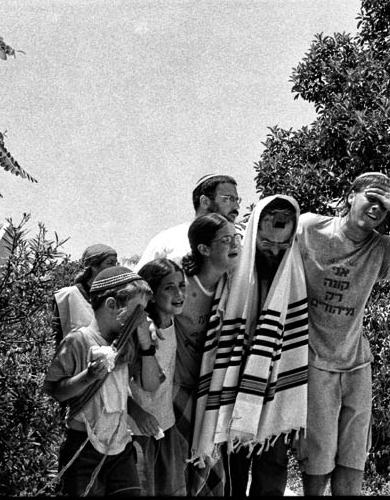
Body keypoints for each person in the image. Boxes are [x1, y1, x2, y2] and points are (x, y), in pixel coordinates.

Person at [295, 172, 390, 496]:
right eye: (372, 197)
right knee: (317, 462)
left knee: (353, 462)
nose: (378, 207)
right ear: (349, 197)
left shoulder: (381, 247)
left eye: (385, 205)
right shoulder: (310, 227)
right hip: (316, 362)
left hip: (357, 364)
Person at [191, 195, 308, 497]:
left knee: (272, 466)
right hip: (235, 379)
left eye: (283, 246)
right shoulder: (233, 273)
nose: (274, 252)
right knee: (233, 466)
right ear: (255, 233)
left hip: (276, 384)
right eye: (267, 244)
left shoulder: (297, 274)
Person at [43, 266, 162, 496]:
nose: (143, 318)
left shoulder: (128, 342)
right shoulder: (78, 341)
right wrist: (87, 377)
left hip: (120, 446)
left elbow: (149, 383)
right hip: (83, 445)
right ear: (112, 305)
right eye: (138, 311)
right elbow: (57, 392)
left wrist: (146, 345)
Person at [178, 212, 242, 495]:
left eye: (236, 237)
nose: (234, 244)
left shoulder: (235, 287)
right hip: (177, 392)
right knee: (177, 474)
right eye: (226, 239)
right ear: (203, 249)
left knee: (210, 476)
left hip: (214, 396)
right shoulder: (180, 286)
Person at [129, 258, 188, 496]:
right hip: (139, 431)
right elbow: (117, 378)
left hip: (166, 425)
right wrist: (135, 410)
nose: (178, 293)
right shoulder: (141, 331)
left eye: (181, 285)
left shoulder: (171, 323)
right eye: (169, 287)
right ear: (151, 295)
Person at [134, 174, 240, 271]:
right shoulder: (167, 240)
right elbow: (139, 285)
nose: (236, 207)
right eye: (229, 199)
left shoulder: (239, 243)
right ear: (205, 202)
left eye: (237, 200)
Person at [52, 243, 118, 348]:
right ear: (94, 266)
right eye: (110, 263)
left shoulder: (114, 298)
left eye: (115, 263)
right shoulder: (67, 296)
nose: (114, 268)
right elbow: (55, 336)